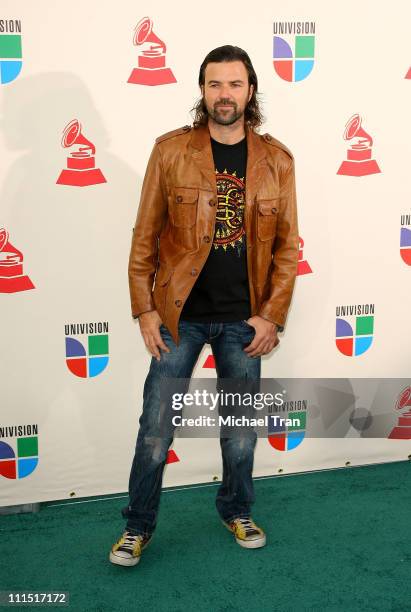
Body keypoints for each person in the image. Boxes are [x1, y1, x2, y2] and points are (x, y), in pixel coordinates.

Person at [110, 45, 299, 567]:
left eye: (234, 84)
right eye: (215, 84)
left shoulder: (278, 161)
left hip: (245, 320)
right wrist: (144, 310)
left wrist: (272, 315)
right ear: (202, 90)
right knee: (155, 430)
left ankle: (236, 509)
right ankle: (137, 526)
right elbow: (144, 236)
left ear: (251, 90)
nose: (224, 95)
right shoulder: (171, 152)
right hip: (179, 317)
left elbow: (287, 246)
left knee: (240, 434)